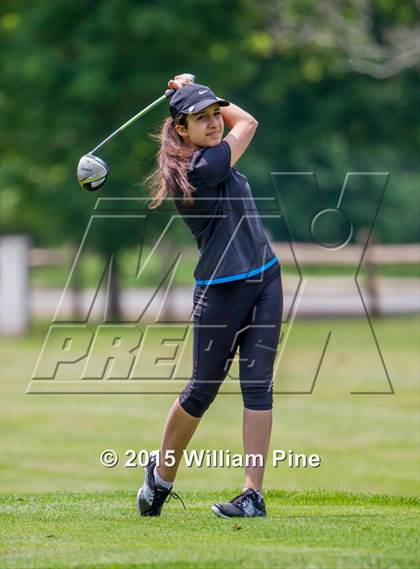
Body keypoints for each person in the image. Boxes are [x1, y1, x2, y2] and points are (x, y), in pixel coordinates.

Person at [137, 75, 283, 519]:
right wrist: (197, 85)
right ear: (180, 128)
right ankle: (160, 478)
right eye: (201, 119)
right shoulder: (201, 169)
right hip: (222, 292)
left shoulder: (206, 153)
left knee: (259, 387)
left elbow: (235, 121)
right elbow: (250, 121)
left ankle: (252, 495)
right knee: (202, 390)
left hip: (265, 279)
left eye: (215, 114)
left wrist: (196, 92)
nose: (215, 123)